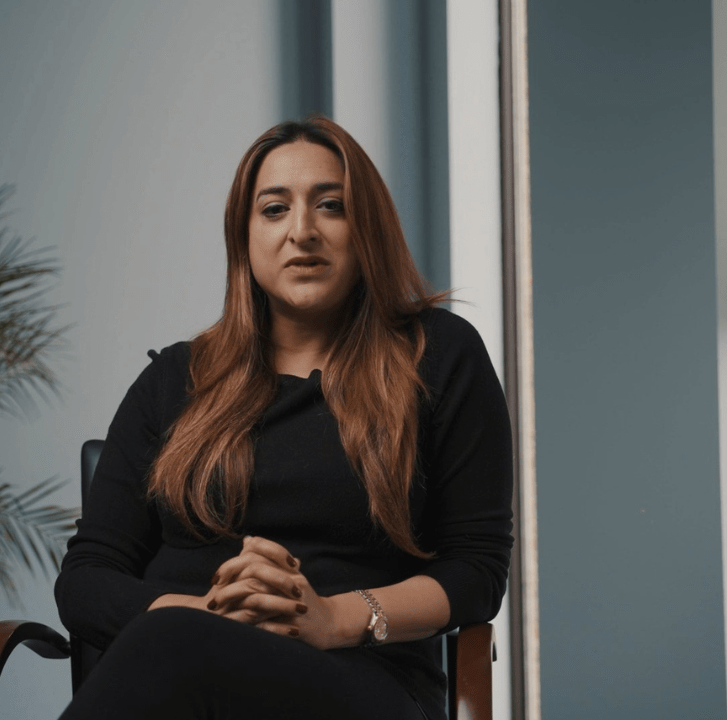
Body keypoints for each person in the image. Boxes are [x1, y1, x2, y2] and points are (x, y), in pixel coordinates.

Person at [53, 117, 513, 720]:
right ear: (244, 237)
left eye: (331, 206)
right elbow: (86, 579)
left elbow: (476, 569)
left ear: (367, 227)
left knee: (171, 646)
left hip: (361, 681)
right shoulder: (174, 380)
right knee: (174, 643)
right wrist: (206, 615)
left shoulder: (438, 355)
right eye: (274, 210)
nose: (302, 231)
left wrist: (326, 618)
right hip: (175, 667)